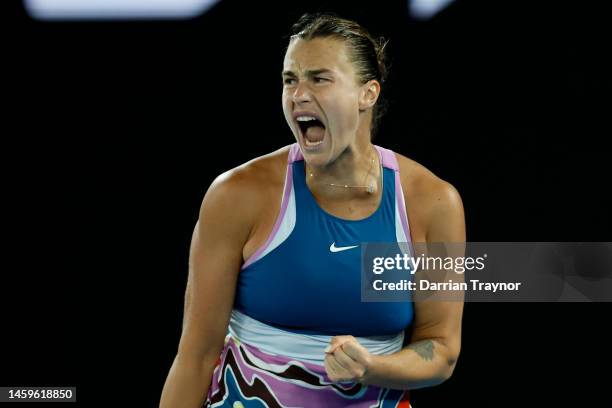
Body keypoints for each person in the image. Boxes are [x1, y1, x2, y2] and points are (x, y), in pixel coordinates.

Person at [160, 13, 465, 408]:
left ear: (367, 94)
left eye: (319, 78)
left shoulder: (433, 202)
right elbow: (196, 356)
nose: (298, 95)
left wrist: (371, 367)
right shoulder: (237, 195)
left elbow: (441, 350)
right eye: (290, 79)